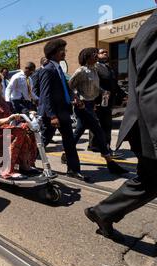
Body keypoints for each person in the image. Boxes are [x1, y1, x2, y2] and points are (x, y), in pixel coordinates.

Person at [85, 8, 157, 241]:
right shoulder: (153, 29)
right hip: (149, 123)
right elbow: (151, 88)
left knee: (150, 181)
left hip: (138, 119)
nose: (102, 55)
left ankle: (103, 212)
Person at [68, 48, 127, 175]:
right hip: (82, 106)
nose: (96, 56)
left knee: (79, 131)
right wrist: (77, 99)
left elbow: (94, 86)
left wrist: (102, 91)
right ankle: (109, 161)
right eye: (93, 54)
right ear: (86, 57)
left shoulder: (94, 70)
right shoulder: (81, 71)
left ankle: (66, 152)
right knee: (99, 131)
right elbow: (70, 86)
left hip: (90, 104)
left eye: (96, 54)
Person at [38, 39, 89, 182]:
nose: (64, 52)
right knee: (43, 140)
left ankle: (73, 170)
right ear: (54, 52)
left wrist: (74, 97)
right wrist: (52, 115)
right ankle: (26, 162)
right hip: (52, 114)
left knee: (69, 142)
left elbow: (65, 88)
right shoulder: (47, 69)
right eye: (62, 50)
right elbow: (45, 95)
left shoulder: (58, 68)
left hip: (63, 112)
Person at [88, 48, 127, 155]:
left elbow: (115, 85)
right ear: (97, 55)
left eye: (106, 52)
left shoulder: (110, 68)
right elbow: (94, 83)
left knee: (106, 124)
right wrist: (100, 95)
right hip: (98, 100)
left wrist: (124, 95)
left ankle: (103, 146)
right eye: (102, 52)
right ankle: (97, 146)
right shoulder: (95, 67)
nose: (105, 54)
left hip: (108, 101)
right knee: (98, 124)